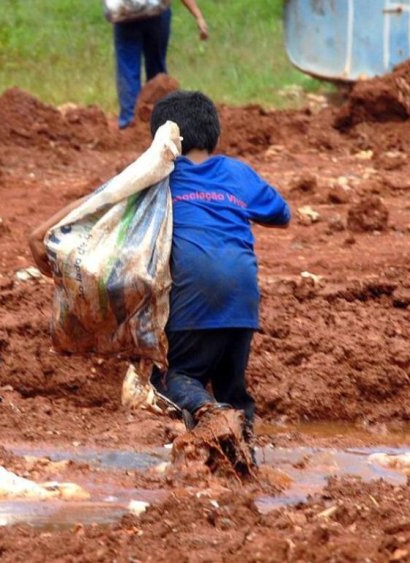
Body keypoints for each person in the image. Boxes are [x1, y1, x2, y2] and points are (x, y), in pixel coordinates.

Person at [147, 91, 291, 448]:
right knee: (233, 388)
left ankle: (209, 414)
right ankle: (243, 458)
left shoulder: (158, 177)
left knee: (174, 378)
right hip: (243, 301)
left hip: (194, 298)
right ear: (215, 135)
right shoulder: (236, 173)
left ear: (163, 140)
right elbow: (280, 213)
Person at [110, 0, 208, 129]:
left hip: (126, 13)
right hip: (157, 13)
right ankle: (160, 121)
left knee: (128, 70)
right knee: (157, 69)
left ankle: (130, 122)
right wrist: (198, 16)